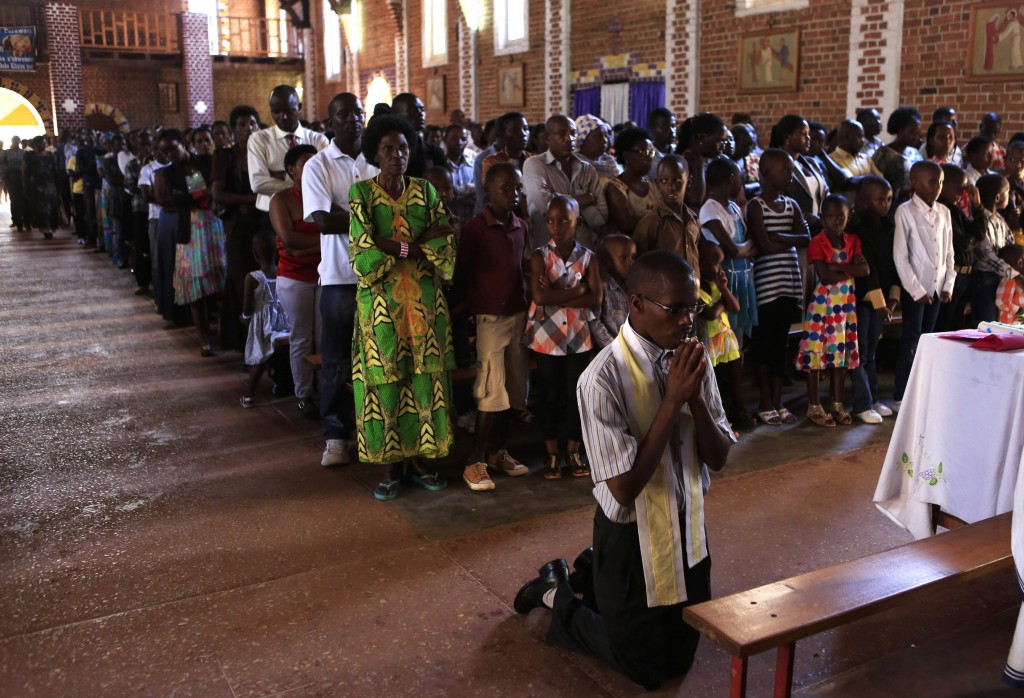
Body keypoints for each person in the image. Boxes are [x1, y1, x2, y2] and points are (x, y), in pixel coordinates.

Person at [514, 250, 733, 691]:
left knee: (679, 658)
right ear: (637, 305)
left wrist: (692, 398)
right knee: (644, 668)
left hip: (687, 530)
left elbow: (718, 457)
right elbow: (625, 488)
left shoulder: (693, 358)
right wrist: (671, 402)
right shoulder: (600, 378)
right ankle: (558, 594)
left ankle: (591, 575)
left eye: (693, 307)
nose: (689, 319)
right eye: (676, 309)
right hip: (629, 539)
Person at [348, 114, 456, 500]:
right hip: (380, 308)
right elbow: (363, 254)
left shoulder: (425, 191)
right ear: (375, 154)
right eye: (389, 149)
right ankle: (391, 466)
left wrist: (392, 244)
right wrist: (414, 244)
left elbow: (443, 245)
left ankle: (422, 460)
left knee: (424, 382)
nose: (398, 155)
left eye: (404, 148)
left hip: (425, 306)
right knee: (387, 383)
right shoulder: (360, 194)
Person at [302, 93, 377, 468]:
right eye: (343, 114)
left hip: (378, 278)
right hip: (338, 278)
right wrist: (370, 216)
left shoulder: (377, 163)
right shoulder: (318, 166)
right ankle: (335, 435)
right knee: (336, 361)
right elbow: (323, 222)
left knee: (377, 360)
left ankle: (372, 431)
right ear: (330, 123)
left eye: (357, 113)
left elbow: (392, 217)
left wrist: (346, 211)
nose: (353, 119)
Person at [454, 162, 532, 491]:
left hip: (517, 316)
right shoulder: (475, 229)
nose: (513, 194)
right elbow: (463, 273)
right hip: (488, 318)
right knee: (490, 389)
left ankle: (500, 451)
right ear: (489, 191)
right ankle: (475, 461)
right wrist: (467, 308)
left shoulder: (521, 226)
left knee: (514, 390)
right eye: (506, 188)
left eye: (517, 188)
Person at [525, 195, 602, 479]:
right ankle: (552, 455)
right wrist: (577, 291)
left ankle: (573, 451)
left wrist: (557, 295)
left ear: (578, 223)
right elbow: (539, 296)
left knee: (575, 395)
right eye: (551, 221)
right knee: (549, 394)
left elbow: (596, 299)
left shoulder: (589, 257)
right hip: (546, 337)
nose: (556, 226)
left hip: (579, 337)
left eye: (564, 221)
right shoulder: (539, 256)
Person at [747, 149, 810, 425]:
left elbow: (806, 237)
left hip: (788, 283)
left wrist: (780, 236)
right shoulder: (755, 206)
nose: (790, 174)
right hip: (766, 286)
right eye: (785, 170)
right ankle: (765, 401)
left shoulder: (791, 205)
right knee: (764, 343)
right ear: (766, 173)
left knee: (781, 345)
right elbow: (764, 245)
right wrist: (789, 238)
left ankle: (777, 401)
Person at [794, 194, 867, 427]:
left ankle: (837, 404)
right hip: (823, 306)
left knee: (841, 355)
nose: (836, 222)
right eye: (830, 217)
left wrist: (836, 265)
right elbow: (824, 276)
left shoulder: (852, 240)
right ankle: (814, 405)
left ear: (848, 218)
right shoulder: (818, 242)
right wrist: (849, 269)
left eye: (841, 217)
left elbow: (864, 270)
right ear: (823, 218)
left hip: (845, 307)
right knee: (815, 353)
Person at [153, 128, 228, 355]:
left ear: (182, 143)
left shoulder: (205, 161)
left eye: (172, 148)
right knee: (195, 285)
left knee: (221, 281)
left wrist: (195, 195)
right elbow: (173, 200)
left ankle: (226, 333)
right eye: (165, 152)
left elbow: (212, 191)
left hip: (215, 224)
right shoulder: (169, 173)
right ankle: (204, 339)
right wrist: (196, 195)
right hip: (190, 229)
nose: (170, 155)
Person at [892, 161, 954, 409]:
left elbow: (949, 251)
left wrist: (948, 283)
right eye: (931, 182)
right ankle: (901, 395)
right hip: (915, 290)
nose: (937, 187)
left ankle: (923, 393)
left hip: (938, 289)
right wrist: (916, 291)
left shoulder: (944, 212)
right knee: (911, 339)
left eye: (940, 182)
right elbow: (900, 256)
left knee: (929, 340)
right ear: (914, 183)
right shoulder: (905, 211)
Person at [269, 144, 323, 419]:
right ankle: (303, 394)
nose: (314, 167)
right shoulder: (281, 200)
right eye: (306, 164)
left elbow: (342, 234)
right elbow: (289, 240)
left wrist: (308, 247)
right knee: (302, 336)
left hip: (326, 274)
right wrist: (324, 241)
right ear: (291, 170)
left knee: (326, 336)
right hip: (294, 278)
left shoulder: (326, 196)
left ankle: (327, 391)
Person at [212, 104, 264, 352]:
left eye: (252, 123)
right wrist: (247, 201)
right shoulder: (225, 155)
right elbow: (218, 193)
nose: (248, 128)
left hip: (263, 225)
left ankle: (266, 344)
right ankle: (245, 345)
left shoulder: (264, 152)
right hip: (237, 228)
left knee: (264, 282)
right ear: (234, 129)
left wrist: (257, 204)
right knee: (240, 282)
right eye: (242, 124)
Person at [522, 114, 607, 248]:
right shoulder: (535, 164)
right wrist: (586, 199)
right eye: (562, 134)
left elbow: (600, 217)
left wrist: (557, 200)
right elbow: (543, 205)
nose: (569, 138)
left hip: (582, 250)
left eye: (573, 133)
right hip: (548, 251)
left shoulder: (587, 168)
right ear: (547, 138)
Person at [700, 157, 758, 343]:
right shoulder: (709, 210)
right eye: (740, 178)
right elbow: (732, 249)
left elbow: (753, 242)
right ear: (732, 178)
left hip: (743, 278)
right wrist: (743, 248)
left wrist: (741, 249)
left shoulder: (733, 206)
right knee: (726, 337)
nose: (742, 184)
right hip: (726, 281)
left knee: (739, 338)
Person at [248, 85, 329, 213]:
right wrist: (300, 184)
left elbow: (325, 178)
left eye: (288, 111)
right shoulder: (259, 139)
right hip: (271, 212)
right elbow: (258, 183)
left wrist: (280, 177)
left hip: (312, 210)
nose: (283, 117)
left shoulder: (318, 140)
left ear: (299, 108)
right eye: (276, 112)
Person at [698, 241, 750, 429]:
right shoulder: (695, 288)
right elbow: (710, 314)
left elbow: (735, 307)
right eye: (717, 264)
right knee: (715, 381)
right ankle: (720, 418)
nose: (721, 269)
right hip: (710, 344)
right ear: (703, 266)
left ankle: (740, 410)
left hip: (727, 340)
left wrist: (724, 290)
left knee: (736, 376)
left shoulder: (717, 285)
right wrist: (723, 304)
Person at [240, 232, 290, 407]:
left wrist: (245, 318)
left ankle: (248, 396)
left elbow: (247, 306)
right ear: (276, 251)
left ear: (254, 254)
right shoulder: (282, 272)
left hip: (262, 324)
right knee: (282, 354)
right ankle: (283, 386)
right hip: (282, 321)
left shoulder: (252, 278)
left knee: (259, 358)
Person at [934, 165, 983, 332]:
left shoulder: (955, 210)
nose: (962, 193)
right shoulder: (939, 211)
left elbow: (979, 234)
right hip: (951, 277)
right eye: (959, 188)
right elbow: (962, 243)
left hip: (965, 277)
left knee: (956, 326)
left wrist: (976, 206)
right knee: (944, 326)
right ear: (943, 185)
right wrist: (974, 239)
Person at [634, 155, 701, 271]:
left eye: (677, 180)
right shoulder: (652, 222)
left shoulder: (693, 219)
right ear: (658, 185)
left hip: (691, 287)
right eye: (664, 181)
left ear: (688, 182)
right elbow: (640, 265)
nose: (671, 186)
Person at [972, 173, 1019, 324]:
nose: (1010, 196)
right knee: (987, 322)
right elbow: (985, 254)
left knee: (1000, 320)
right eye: (1007, 193)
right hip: (984, 278)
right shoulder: (980, 220)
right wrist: (1014, 273)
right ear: (998, 198)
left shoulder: (1000, 220)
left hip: (1001, 277)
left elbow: (1009, 244)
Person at [771, 114, 830, 233]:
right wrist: (809, 217)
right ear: (787, 137)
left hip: (821, 230)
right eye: (803, 134)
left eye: (808, 134)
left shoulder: (811, 162)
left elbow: (826, 192)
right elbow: (777, 200)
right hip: (796, 230)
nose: (808, 138)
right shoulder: (776, 165)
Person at [604, 127, 659, 236]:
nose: (648, 158)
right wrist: (660, 220)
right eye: (643, 152)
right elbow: (626, 224)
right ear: (626, 156)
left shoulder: (655, 185)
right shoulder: (616, 187)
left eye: (651, 153)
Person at [589, 234, 636, 349]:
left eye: (633, 257)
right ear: (607, 261)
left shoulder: (634, 285)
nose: (630, 263)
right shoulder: (602, 286)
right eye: (623, 258)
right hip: (612, 351)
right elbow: (594, 323)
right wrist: (616, 349)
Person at [676, 112, 729, 208]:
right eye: (720, 140)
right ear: (701, 138)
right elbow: (695, 200)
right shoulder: (682, 163)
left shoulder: (710, 160)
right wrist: (699, 164)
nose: (724, 145)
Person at [123, 130, 154, 294]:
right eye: (143, 145)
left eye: (149, 144)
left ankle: (157, 280)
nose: (147, 148)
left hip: (156, 210)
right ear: (136, 146)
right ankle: (143, 281)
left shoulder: (157, 163)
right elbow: (129, 185)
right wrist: (147, 188)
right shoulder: (132, 164)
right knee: (141, 245)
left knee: (154, 247)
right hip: (140, 209)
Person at [872, 106, 923, 203]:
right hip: (893, 205)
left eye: (918, 133)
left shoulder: (916, 153)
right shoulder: (884, 154)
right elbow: (875, 185)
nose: (916, 137)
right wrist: (899, 192)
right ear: (899, 130)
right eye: (912, 133)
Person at [390, 93, 447, 178]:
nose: (421, 114)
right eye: (414, 110)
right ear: (397, 115)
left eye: (422, 109)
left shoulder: (433, 151)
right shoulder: (388, 152)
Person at [482, 112, 533, 187]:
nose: (523, 134)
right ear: (502, 135)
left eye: (525, 129)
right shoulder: (492, 161)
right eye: (516, 130)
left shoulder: (534, 159)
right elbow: (492, 191)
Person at [23, 136, 59, 239]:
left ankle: (51, 226)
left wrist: (58, 184)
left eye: (44, 142)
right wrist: (25, 185)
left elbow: (55, 171)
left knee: (52, 207)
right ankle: (45, 228)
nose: (43, 144)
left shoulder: (50, 155)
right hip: (37, 186)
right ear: (35, 144)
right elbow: (25, 172)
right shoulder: (29, 156)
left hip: (50, 185)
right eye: (41, 143)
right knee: (41, 208)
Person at [441, 124, 475, 221]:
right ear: (445, 140)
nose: (460, 142)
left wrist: (457, 191)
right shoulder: (440, 165)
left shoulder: (473, 164)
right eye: (454, 138)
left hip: (470, 216)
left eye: (463, 139)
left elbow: (478, 189)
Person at [574, 114, 619, 182]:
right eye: (599, 136)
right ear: (582, 139)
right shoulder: (573, 166)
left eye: (605, 135)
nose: (605, 140)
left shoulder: (610, 162)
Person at [996, 244, 1024, 324]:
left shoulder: (1021, 279)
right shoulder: (1010, 281)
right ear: (1019, 262)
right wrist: (1019, 310)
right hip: (1008, 324)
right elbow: (1001, 302)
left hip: (1018, 323)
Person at [5, 136, 27, 231]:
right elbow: (3, 164)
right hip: (11, 178)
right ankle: (16, 220)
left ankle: (26, 220)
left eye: (17, 140)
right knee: (14, 200)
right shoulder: (7, 153)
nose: (15, 142)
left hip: (22, 177)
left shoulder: (24, 153)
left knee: (23, 199)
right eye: (14, 140)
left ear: (19, 142)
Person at [647, 107, 676, 177]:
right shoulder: (647, 156)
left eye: (673, 126)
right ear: (652, 129)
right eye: (665, 127)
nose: (672, 131)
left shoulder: (678, 152)